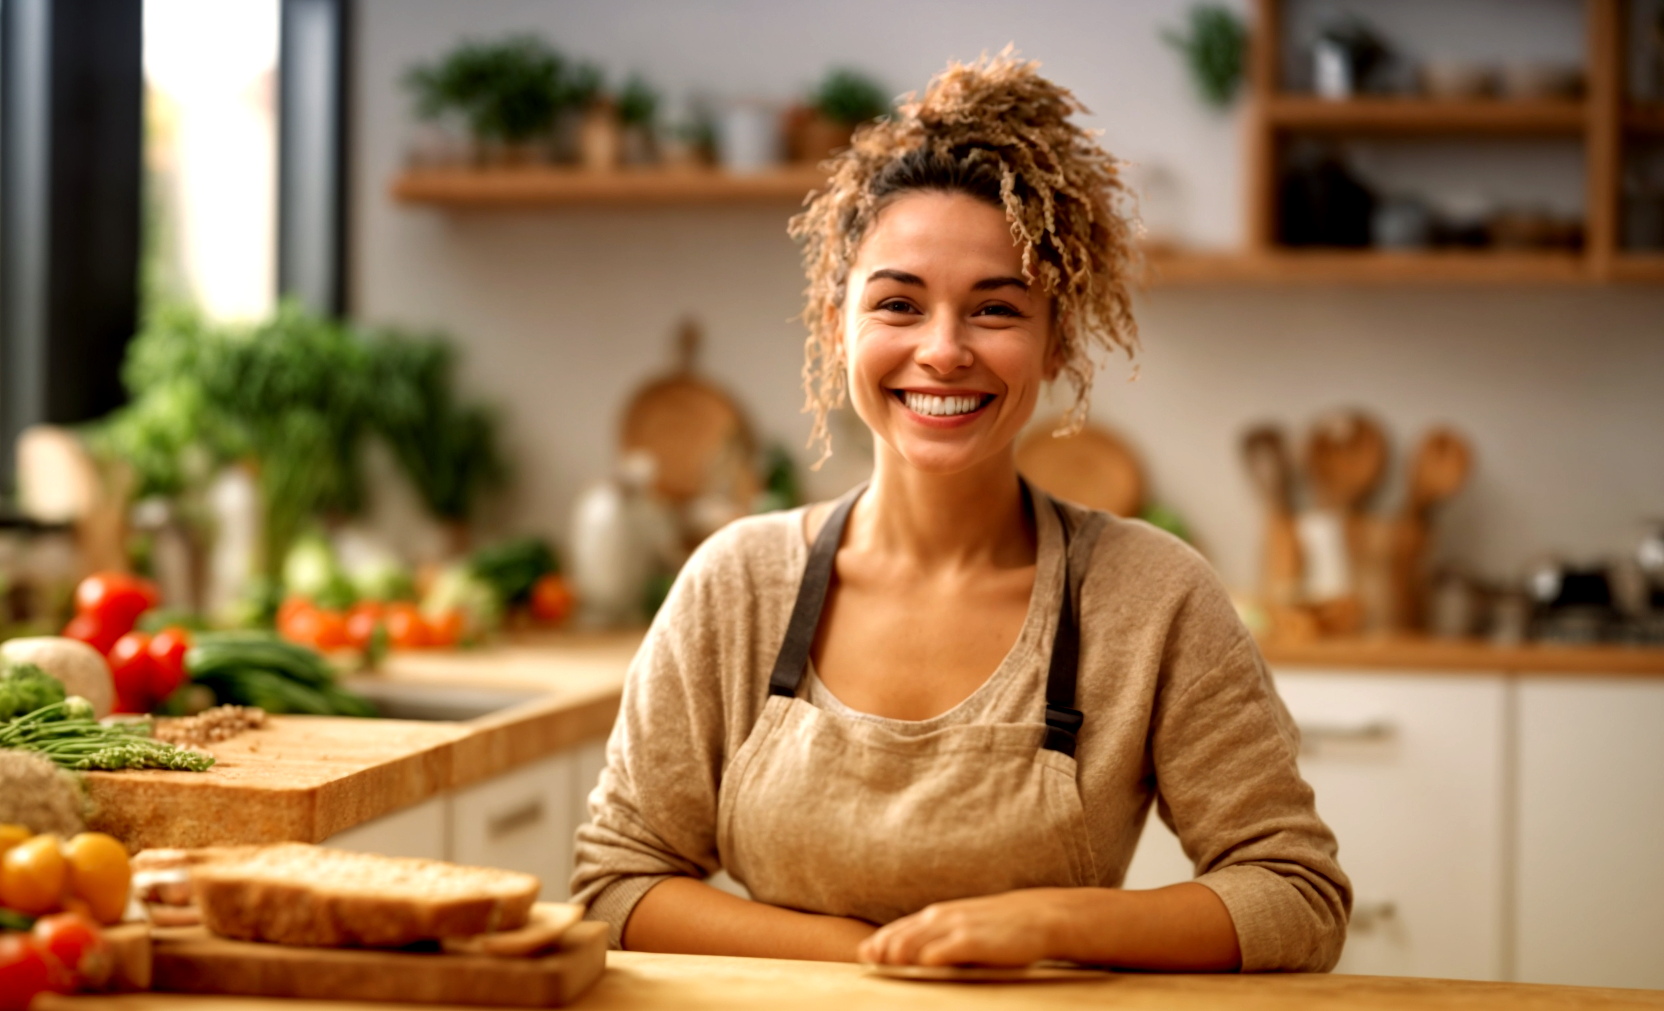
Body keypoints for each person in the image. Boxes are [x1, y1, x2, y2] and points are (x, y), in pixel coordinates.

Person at [571, 51, 1350, 972]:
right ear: (839, 329)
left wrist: (1043, 924)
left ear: (1057, 342)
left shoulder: (1152, 596)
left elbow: (1295, 895)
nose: (942, 352)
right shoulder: (738, 583)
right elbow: (617, 880)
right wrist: (869, 954)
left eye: (995, 310)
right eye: (899, 303)